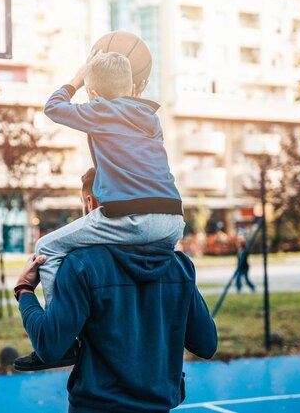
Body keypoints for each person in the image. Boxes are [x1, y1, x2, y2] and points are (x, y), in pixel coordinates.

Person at [14, 50, 185, 370]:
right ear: (133, 88)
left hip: (133, 217)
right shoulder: (150, 117)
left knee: (46, 247)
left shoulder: (100, 111)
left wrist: (77, 79)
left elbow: (53, 108)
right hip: (173, 220)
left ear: (93, 93)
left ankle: (62, 340)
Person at [14, 168, 218, 413]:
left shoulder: (80, 265)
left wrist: (24, 290)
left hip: (97, 406)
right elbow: (206, 345)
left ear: (90, 203)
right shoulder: (179, 266)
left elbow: (50, 346)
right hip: (159, 404)